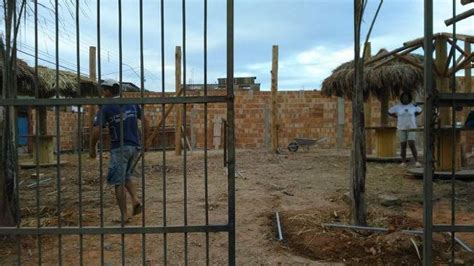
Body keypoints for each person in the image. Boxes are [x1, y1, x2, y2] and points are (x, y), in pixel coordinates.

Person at [90, 79, 149, 223]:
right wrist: (146, 141)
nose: (102, 93)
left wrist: (92, 147)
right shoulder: (131, 103)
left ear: (109, 91)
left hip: (119, 148)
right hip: (134, 147)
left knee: (118, 182)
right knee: (126, 176)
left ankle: (124, 215)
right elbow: (146, 121)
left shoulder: (106, 107)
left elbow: (97, 129)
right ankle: (135, 201)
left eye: (103, 90)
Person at [388, 92, 422, 167]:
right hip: (401, 127)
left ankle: (416, 161)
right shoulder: (398, 107)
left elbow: (420, 110)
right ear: (401, 99)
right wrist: (397, 117)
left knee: (411, 143)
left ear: (409, 98)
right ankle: (403, 162)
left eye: (406, 97)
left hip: (411, 127)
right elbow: (389, 112)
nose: (405, 99)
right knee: (403, 145)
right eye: (403, 97)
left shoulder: (413, 106)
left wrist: (414, 115)